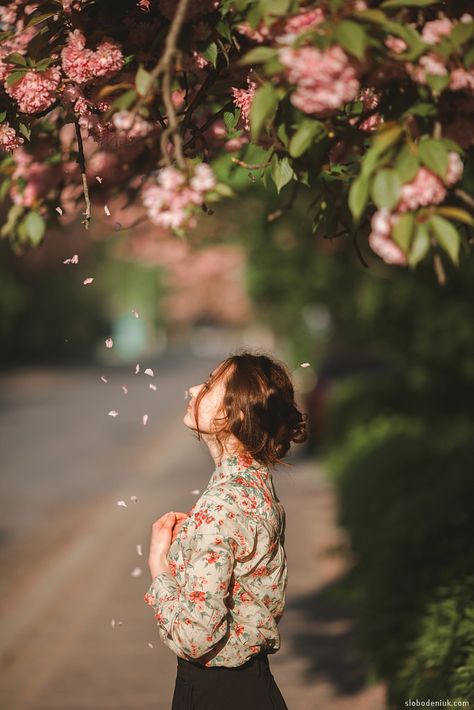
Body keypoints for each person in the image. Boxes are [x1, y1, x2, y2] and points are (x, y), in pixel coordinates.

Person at [144, 350, 308, 709]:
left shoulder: (220, 507)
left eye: (208, 385)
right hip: (252, 686)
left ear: (231, 414)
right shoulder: (254, 482)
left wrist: (159, 565)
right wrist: (195, 540)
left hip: (217, 693)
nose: (191, 389)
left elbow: (196, 637)